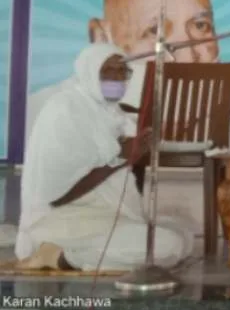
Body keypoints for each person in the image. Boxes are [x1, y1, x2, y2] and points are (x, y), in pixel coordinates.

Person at [25, 0, 230, 145]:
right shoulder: (48, 114)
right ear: (102, 38)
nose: (186, 56)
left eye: (201, 25)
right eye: (155, 31)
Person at [15, 43, 194, 271]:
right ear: (89, 71)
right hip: (63, 220)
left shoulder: (109, 112)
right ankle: (58, 256)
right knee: (166, 246)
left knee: (183, 234)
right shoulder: (65, 109)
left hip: (103, 216)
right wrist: (120, 157)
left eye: (122, 71)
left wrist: (137, 148)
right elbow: (56, 197)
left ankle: (82, 254)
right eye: (108, 70)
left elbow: (118, 156)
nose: (117, 78)